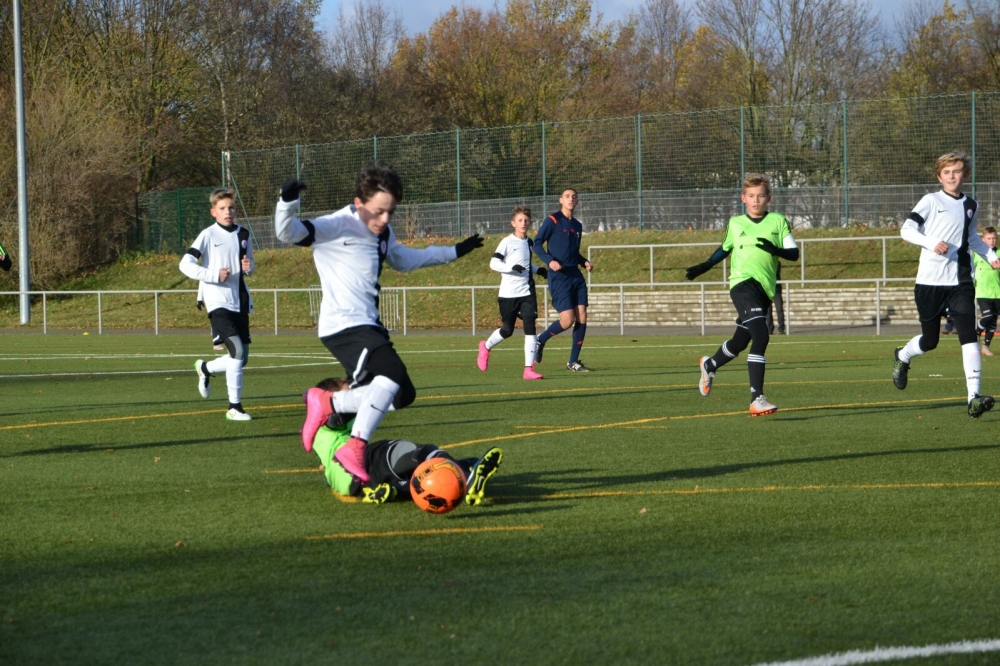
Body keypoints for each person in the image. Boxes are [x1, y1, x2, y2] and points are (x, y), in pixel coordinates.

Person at [274, 161, 484, 484]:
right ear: (359, 203)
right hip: (344, 327)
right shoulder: (337, 225)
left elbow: (405, 259)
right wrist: (287, 202)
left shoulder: (383, 232)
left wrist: (455, 251)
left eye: (391, 212)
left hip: (368, 326)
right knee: (392, 374)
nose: (385, 219)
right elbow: (288, 233)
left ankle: (329, 403)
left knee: (402, 394)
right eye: (378, 211)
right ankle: (355, 446)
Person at [892, 151, 1000, 418]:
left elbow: (971, 239)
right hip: (929, 282)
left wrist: (991, 255)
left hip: (960, 281)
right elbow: (907, 230)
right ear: (939, 176)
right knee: (930, 341)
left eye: (957, 171)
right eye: (947, 172)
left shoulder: (971, 205)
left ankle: (973, 398)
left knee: (968, 336)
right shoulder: (930, 200)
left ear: (966, 175)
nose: (952, 176)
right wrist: (931, 242)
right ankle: (903, 356)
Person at [685, 173, 799, 416]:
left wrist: (775, 249)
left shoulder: (778, 221)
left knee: (740, 342)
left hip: (765, 290)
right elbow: (724, 248)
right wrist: (705, 266)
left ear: (769, 198)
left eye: (760, 196)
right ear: (743, 198)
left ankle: (710, 364)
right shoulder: (736, 223)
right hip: (742, 285)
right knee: (761, 335)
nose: (756, 200)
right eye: (751, 196)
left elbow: (794, 253)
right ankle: (757, 398)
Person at [307, 378, 503, 506]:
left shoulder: (321, 440)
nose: (352, 398)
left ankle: (395, 490)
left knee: (417, 478)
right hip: (365, 460)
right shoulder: (327, 422)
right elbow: (336, 416)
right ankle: (468, 479)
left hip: (357, 484)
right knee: (424, 453)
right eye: (347, 396)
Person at [179, 188, 254, 421]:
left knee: (241, 358)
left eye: (231, 207)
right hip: (217, 302)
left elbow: (248, 265)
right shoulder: (208, 234)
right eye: (222, 208)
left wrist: (249, 268)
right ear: (213, 212)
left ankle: (205, 368)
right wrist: (213, 275)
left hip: (239, 301)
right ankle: (234, 408)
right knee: (237, 351)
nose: (227, 212)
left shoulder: (244, 234)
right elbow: (185, 264)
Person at [477, 206, 547, 380]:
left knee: (530, 327)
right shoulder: (507, 242)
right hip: (508, 294)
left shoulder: (530, 243)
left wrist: (539, 270)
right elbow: (494, 263)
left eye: (526, 220)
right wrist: (510, 268)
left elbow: (525, 264)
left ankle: (528, 369)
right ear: (513, 223)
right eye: (520, 220)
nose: (524, 223)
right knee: (507, 330)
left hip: (527, 292)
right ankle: (485, 346)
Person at [532, 188, 594, 372]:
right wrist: (549, 261)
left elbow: (573, 252)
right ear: (561, 200)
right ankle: (541, 339)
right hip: (559, 277)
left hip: (575, 275)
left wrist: (583, 261)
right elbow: (537, 244)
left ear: (577, 201)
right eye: (567, 196)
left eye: (574, 197)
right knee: (567, 321)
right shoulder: (552, 220)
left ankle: (573, 362)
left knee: (582, 316)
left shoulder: (577, 225)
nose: (571, 199)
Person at [975, 226, 1000, 356]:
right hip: (982, 291)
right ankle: (975, 332)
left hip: (997, 292)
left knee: (993, 321)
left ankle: (985, 347)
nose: (992, 241)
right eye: (989, 238)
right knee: (988, 316)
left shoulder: (999, 253)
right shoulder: (977, 253)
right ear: (983, 239)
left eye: (994, 238)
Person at [196, 283, 225, 350]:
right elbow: (201, 283)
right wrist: (199, 299)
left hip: (221, 297)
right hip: (211, 299)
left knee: (222, 318)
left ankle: (218, 338)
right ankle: (217, 342)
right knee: (216, 317)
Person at [766, 262, 785, 335]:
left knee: (779, 309)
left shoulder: (777, 263)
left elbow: (774, 273)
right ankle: (770, 329)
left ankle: (781, 328)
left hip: (777, 290)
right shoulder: (766, 263)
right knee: (768, 311)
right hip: (768, 289)